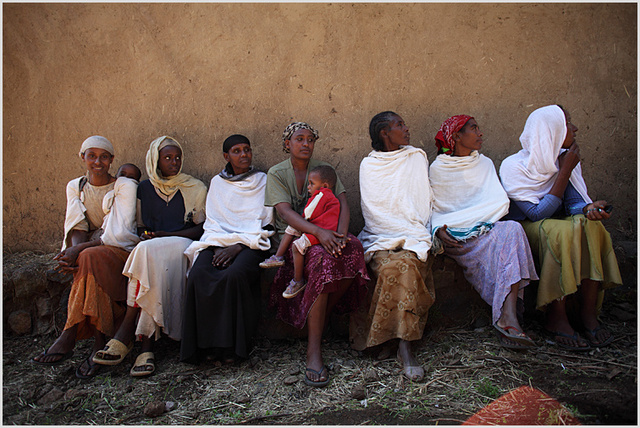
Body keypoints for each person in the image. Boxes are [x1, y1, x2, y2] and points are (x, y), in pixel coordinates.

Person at [499, 105, 622, 350]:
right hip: (529, 229)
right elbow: (536, 214)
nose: (575, 128)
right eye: (567, 123)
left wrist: (589, 209)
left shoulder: (564, 158)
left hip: (557, 225)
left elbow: (575, 203)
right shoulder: (513, 166)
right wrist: (564, 170)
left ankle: (588, 313)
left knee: (590, 226)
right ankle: (556, 315)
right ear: (551, 131)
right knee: (561, 230)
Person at [92, 136, 207, 376]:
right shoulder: (144, 188)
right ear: (155, 159)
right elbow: (141, 226)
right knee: (147, 258)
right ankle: (146, 347)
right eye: (167, 158)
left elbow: (201, 229)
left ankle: (125, 333)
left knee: (143, 253)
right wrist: (149, 235)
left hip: (182, 244)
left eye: (178, 158)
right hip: (153, 249)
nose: (174, 162)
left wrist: (164, 234)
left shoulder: (194, 187)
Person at [266, 122, 368, 387]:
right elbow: (286, 213)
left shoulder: (324, 169)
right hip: (294, 238)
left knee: (354, 249)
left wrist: (341, 235)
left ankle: (317, 318)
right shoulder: (277, 173)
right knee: (321, 260)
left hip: (328, 234)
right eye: (299, 139)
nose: (306, 144)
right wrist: (319, 234)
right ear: (287, 143)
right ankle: (314, 350)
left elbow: (343, 203)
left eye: (310, 139)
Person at [32, 136, 139, 380]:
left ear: (112, 160)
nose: (97, 162)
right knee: (88, 260)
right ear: (83, 158)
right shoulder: (76, 186)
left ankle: (70, 333)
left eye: (104, 157)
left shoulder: (123, 186)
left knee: (89, 256)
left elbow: (119, 233)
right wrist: (74, 255)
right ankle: (98, 342)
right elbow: (76, 225)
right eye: (92, 156)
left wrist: (79, 251)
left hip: (120, 251)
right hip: (93, 254)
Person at [429, 115, 539, 350]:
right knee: (504, 237)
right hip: (455, 237)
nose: (480, 133)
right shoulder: (438, 169)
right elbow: (432, 209)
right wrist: (438, 229)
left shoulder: (485, 163)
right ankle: (508, 319)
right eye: (474, 128)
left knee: (512, 229)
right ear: (456, 136)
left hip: (485, 229)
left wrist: (480, 225)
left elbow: (497, 202)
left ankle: (508, 317)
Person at [349, 111, 434, 382]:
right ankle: (389, 339)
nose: (406, 129)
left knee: (407, 264)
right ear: (384, 133)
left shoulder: (416, 157)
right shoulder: (369, 165)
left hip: (413, 232)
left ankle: (404, 346)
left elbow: (422, 201)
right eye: (399, 125)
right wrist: (392, 234)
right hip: (380, 235)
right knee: (389, 268)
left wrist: (410, 231)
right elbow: (374, 209)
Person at [180, 134, 274, 364]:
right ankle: (204, 347)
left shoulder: (262, 180)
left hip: (251, 243)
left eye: (247, 150)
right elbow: (213, 221)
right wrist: (220, 245)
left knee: (234, 275)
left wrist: (238, 247)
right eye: (237, 151)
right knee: (199, 274)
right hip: (216, 241)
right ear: (226, 156)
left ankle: (233, 348)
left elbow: (266, 222)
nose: (243, 155)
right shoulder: (217, 183)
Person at [261, 165, 341, 299]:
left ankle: (298, 281)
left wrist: (301, 221)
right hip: (316, 225)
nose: (308, 187)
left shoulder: (323, 195)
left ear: (325, 185)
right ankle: (278, 256)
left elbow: (309, 213)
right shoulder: (322, 195)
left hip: (322, 230)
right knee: (291, 227)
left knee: (297, 246)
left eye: (311, 184)